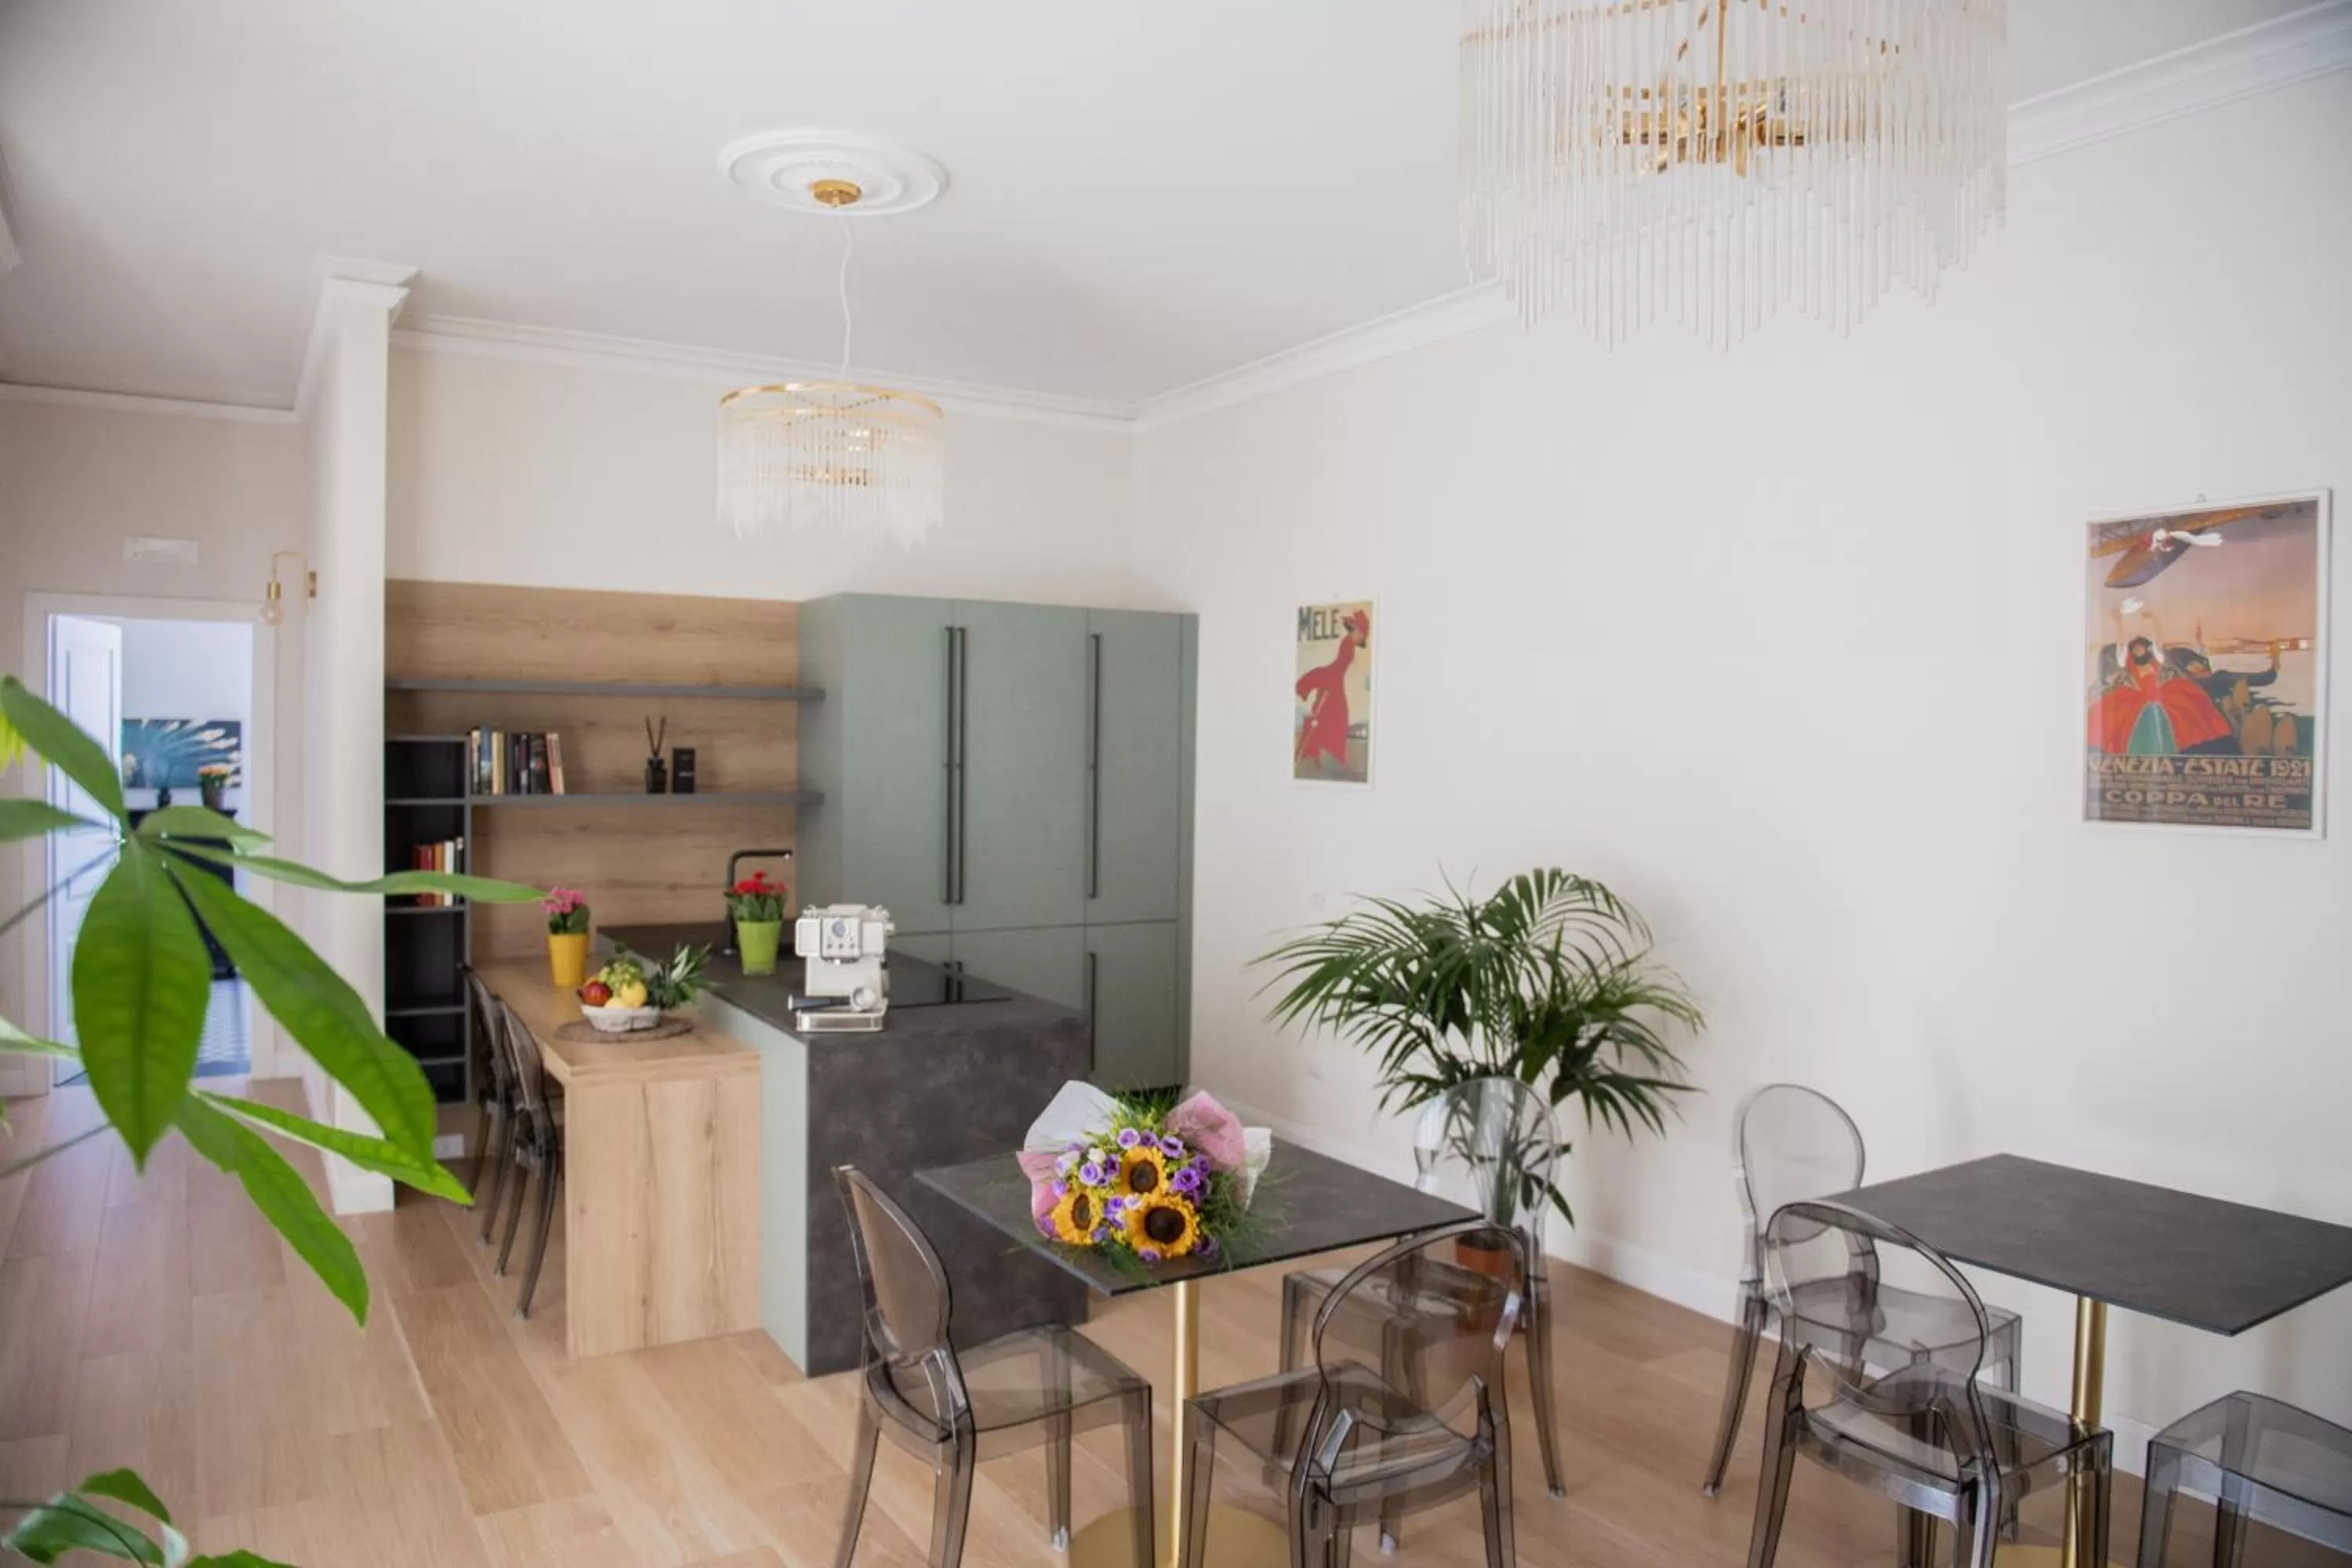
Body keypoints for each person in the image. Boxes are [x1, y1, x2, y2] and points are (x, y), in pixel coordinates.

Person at [2089, 626, 2232, 756]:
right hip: (2139, 704)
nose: (2139, 651)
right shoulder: (2127, 672)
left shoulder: (2161, 668)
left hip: (2162, 699)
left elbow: (2174, 676)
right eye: (2136, 649)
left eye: (2141, 648)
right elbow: (2115, 683)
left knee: (2185, 706)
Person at [1295, 607, 1370, 774]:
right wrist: (1328, 685)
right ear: (1355, 630)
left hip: (1335, 681)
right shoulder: (1347, 643)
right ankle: (1309, 752)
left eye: (1363, 637)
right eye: (1361, 634)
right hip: (1332, 680)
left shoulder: (1349, 643)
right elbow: (1337, 666)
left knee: (1334, 719)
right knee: (1329, 717)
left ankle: (1314, 754)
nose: (1361, 638)